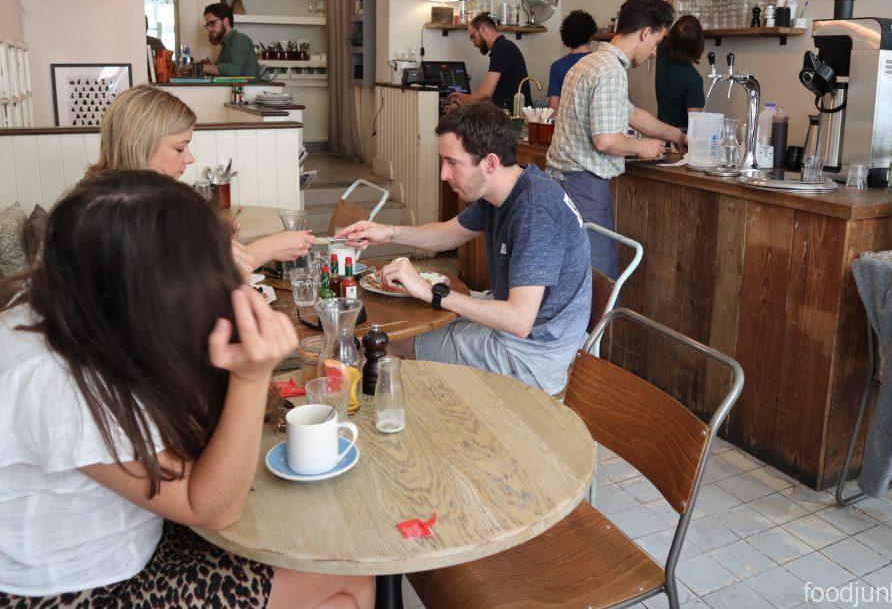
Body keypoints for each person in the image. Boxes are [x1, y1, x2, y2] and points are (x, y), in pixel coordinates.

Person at [0, 170, 373, 607]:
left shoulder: (67, 303)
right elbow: (210, 509)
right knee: (348, 582)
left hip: (135, 533)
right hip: (79, 586)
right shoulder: (55, 379)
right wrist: (251, 378)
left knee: (333, 561)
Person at [338, 104, 591, 395]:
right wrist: (389, 232)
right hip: (513, 327)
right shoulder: (504, 190)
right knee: (407, 319)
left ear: (490, 162)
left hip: (531, 356)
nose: (444, 174)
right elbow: (447, 234)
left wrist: (431, 292)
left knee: (382, 340)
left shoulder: (534, 211)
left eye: (452, 162)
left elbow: (519, 321)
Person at [88, 85, 314, 271]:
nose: (190, 159)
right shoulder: (116, 215)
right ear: (140, 147)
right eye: (179, 149)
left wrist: (216, 240)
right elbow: (180, 291)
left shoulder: (114, 197)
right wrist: (266, 249)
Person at [545, 0, 686, 278]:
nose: (654, 53)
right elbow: (606, 140)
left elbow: (632, 114)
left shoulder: (591, 62)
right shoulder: (610, 71)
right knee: (598, 278)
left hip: (563, 183)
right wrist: (641, 148)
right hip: (584, 186)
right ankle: (595, 326)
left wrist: (678, 135)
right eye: (657, 43)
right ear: (646, 33)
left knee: (570, 275)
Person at [449, 13, 530, 111]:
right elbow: (491, 97)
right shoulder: (501, 47)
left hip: (516, 119)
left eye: (473, 37)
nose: (473, 42)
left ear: (483, 29)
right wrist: (467, 98)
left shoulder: (502, 48)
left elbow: (486, 92)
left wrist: (458, 105)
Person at [655, 15, 705, 132]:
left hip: (660, 131)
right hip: (681, 138)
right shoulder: (694, 80)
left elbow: (664, 21)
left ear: (672, 36)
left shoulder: (662, 50)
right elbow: (694, 123)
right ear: (698, 44)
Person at [547, 10, 597, 111]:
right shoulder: (599, 63)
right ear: (591, 34)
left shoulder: (557, 66)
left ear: (565, 35)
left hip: (566, 124)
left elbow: (553, 109)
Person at [200, 3, 261, 78]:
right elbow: (219, 72)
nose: (209, 29)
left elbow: (234, 70)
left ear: (225, 21)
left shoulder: (240, 39)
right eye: (208, 25)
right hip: (234, 89)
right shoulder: (225, 45)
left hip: (247, 89)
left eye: (212, 23)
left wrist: (202, 67)